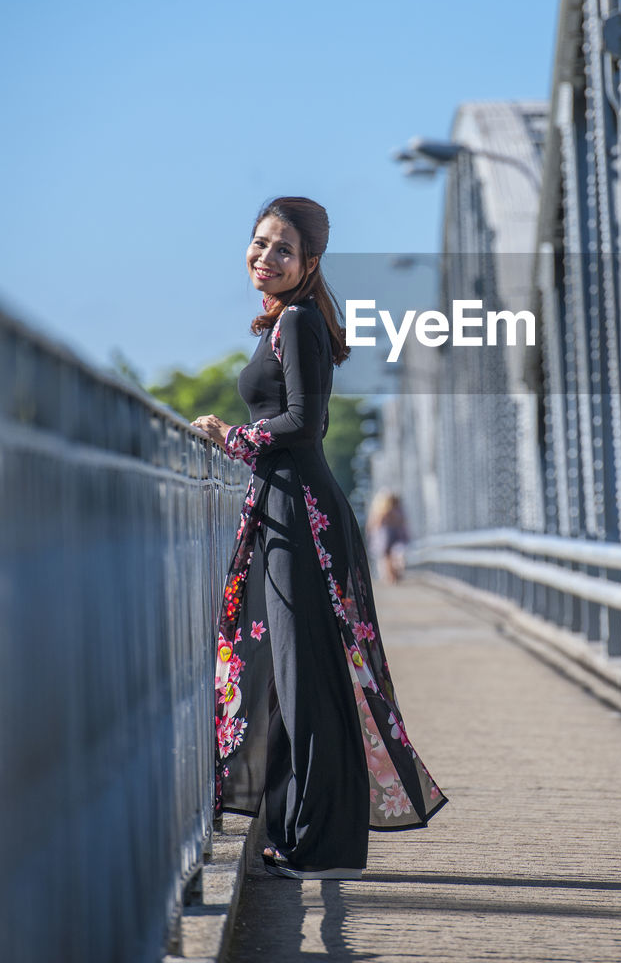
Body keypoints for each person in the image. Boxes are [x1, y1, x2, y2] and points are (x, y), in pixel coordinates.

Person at [191, 196, 446, 880]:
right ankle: (302, 831)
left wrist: (229, 436)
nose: (264, 257)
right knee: (297, 678)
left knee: (304, 681)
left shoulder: (298, 322)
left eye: (282, 249)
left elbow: (304, 424)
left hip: (299, 513)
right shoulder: (285, 322)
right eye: (259, 242)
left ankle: (319, 842)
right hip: (285, 508)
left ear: (308, 263)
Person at [366, 489, 411, 585]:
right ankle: (392, 576)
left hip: (388, 538)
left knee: (390, 557)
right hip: (386, 538)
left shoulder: (385, 511)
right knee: (389, 557)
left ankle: (392, 575)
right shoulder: (382, 512)